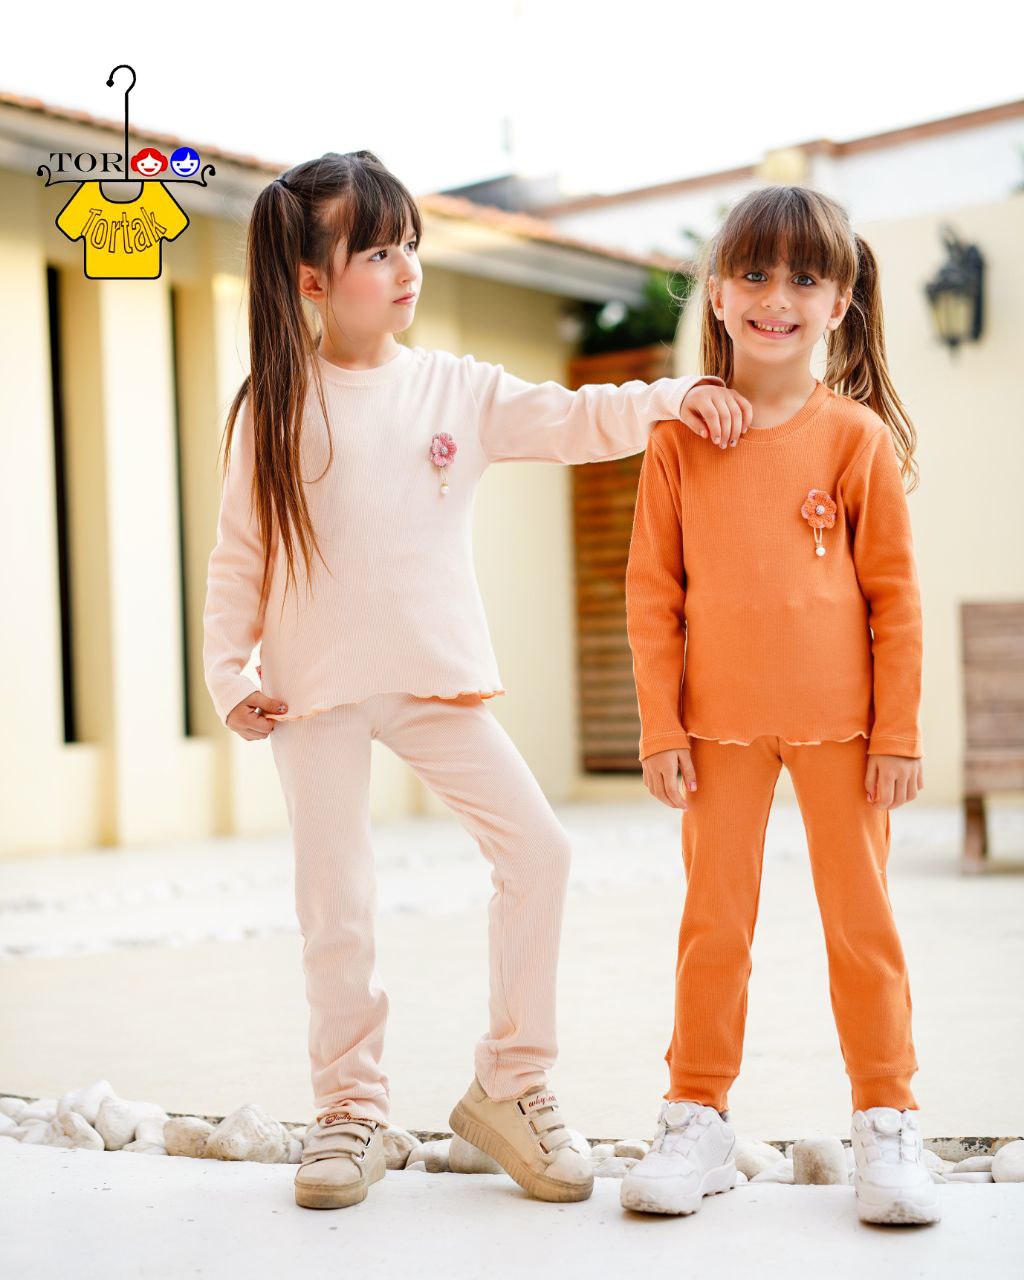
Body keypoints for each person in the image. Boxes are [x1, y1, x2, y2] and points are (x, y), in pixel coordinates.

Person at [201, 149, 749, 1210]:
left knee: (539, 851)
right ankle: (350, 1107)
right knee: (337, 903)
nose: (405, 267)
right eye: (375, 251)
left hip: (434, 681)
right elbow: (238, 556)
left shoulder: (458, 389)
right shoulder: (271, 404)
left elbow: (575, 417)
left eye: (410, 244)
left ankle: (510, 1080)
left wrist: (674, 396)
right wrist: (231, 673)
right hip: (310, 693)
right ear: (311, 280)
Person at [621, 184, 940, 1226]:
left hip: (847, 734)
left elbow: (895, 599)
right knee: (712, 927)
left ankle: (886, 1117)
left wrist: (898, 733)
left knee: (862, 926)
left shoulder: (855, 439)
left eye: (804, 278)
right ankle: (696, 1115)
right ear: (716, 293)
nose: (776, 297)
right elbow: (652, 595)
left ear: (839, 301)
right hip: (714, 732)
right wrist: (660, 727)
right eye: (753, 273)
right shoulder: (676, 439)